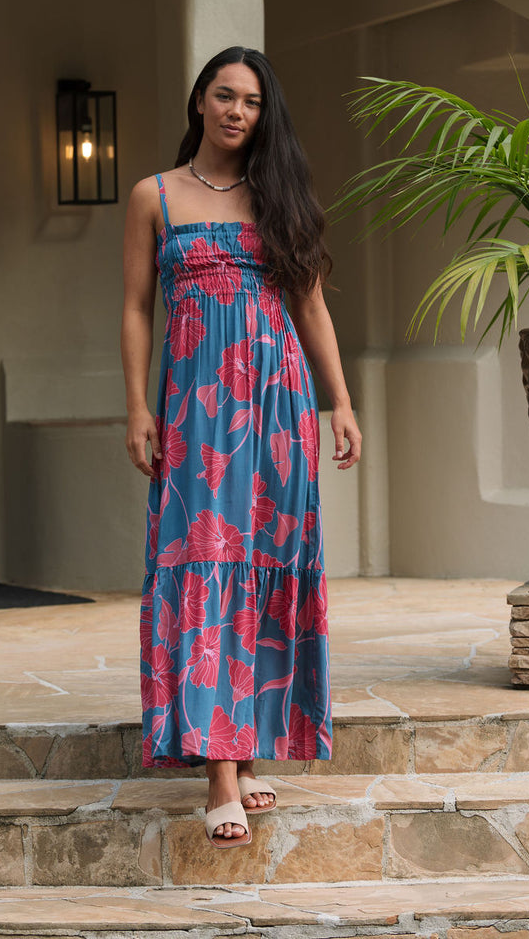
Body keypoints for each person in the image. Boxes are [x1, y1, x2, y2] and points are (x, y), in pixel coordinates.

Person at [121, 46, 361, 849]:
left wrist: (341, 401)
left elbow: (312, 307)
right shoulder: (154, 195)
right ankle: (220, 768)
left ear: (264, 114)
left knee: (264, 561)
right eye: (224, 96)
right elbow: (133, 309)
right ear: (198, 101)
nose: (236, 111)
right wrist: (136, 408)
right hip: (194, 410)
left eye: (252, 102)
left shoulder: (278, 195)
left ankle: (249, 743)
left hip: (277, 401)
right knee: (204, 560)